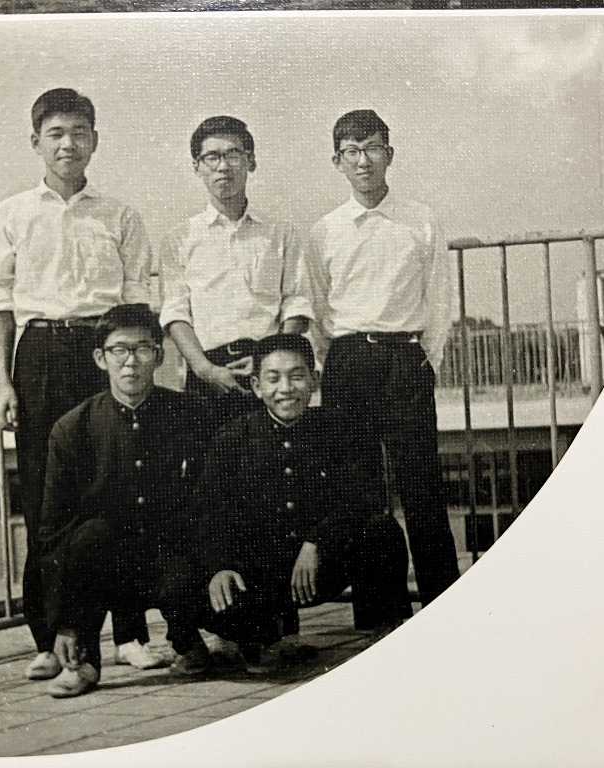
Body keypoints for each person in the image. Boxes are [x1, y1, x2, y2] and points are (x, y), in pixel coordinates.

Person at [0, 88, 155, 681]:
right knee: (46, 499)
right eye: (56, 133)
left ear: (95, 141)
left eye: (80, 132)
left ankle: (129, 633)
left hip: (104, 350)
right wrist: (3, 383)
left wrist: (132, 363)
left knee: (121, 487)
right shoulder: (10, 214)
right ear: (36, 142)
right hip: (40, 357)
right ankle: (50, 639)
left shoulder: (120, 215)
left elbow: (137, 299)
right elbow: (0, 303)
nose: (68, 144)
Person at [164, 333, 413, 677]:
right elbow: (207, 512)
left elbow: (363, 497)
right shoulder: (232, 439)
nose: (286, 388)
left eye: (297, 376)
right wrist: (220, 566)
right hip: (260, 574)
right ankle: (255, 636)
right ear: (256, 386)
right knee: (247, 640)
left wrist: (317, 542)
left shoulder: (339, 430)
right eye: (273, 378)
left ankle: (388, 630)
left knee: (382, 530)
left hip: (318, 568)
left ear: (314, 380)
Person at [307, 109, 460, 607]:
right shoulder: (324, 231)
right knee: (359, 488)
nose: (363, 161)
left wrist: (426, 362)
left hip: (405, 359)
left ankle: (443, 601)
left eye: (372, 148)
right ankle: (379, 609)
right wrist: (337, 359)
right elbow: (318, 308)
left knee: (421, 487)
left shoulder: (421, 219)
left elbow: (439, 300)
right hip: (348, 360)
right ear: (337, 161)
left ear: (389, 154)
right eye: (350, 151)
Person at [37, 304, 206, 697]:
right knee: (87, 537)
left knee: (194, 566)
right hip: (107, 560)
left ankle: (188, 639)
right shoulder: (73, 428)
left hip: (169, 553)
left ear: (159, 356)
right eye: (119, 350)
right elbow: (53, 530)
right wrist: (65, 622)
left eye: (143, 349)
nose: (131, 362)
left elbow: (208, 500)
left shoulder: (188, 414)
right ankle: (84, 662)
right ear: (100, 358)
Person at [159, 115, 313, 432]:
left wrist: (269, 360)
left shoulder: (281, 233)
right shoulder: (179, 238)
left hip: (267, 373)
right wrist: (204, 368)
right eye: (212, 157)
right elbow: (175, 312)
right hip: (207, 373)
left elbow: (296, 302)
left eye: (233, 154)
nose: (223, 166)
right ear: (197, 166)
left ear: (250, 161)